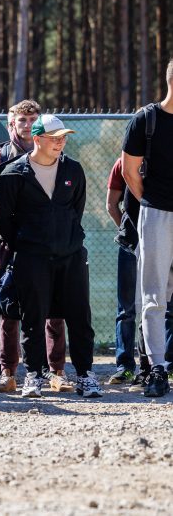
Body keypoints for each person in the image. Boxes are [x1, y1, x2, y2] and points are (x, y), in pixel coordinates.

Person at [0, 114, 101, 398]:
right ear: (38, 139)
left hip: (71, 256)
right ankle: (34, 376)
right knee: (33, 317)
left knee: (79, 316)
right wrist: (27, 243)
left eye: (64, 137)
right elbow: (3, 219)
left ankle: (85, 375)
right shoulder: (13, 172)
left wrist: (63, 239)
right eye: (54, 138)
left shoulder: (74, 170)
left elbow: (75, 211)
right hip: (31, 257)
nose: (61, 142)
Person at [0, 100, 70, 394]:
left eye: (34, 119)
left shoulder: (56, 155)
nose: (29, 125)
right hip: (13, 246)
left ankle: (56, 371)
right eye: (23, 120)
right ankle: (8, 372)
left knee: (54, 308)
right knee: (9, 309)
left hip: (50, 246)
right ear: (11, 124)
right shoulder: (1, 158)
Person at [122, 65, 173, 397]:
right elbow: (129, 170)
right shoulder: (146, 120)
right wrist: (152, 203)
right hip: (156, 215)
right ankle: (156, 369)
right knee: (153, 296)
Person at [106, 155, 151, 385]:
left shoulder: (163, 157)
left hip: (161, 243)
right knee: (127, 308)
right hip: (130, 245)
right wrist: (128, 232)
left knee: (164, 306)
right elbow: (112, 205)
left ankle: (163, 364)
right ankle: (124, 365)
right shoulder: (122, 163)